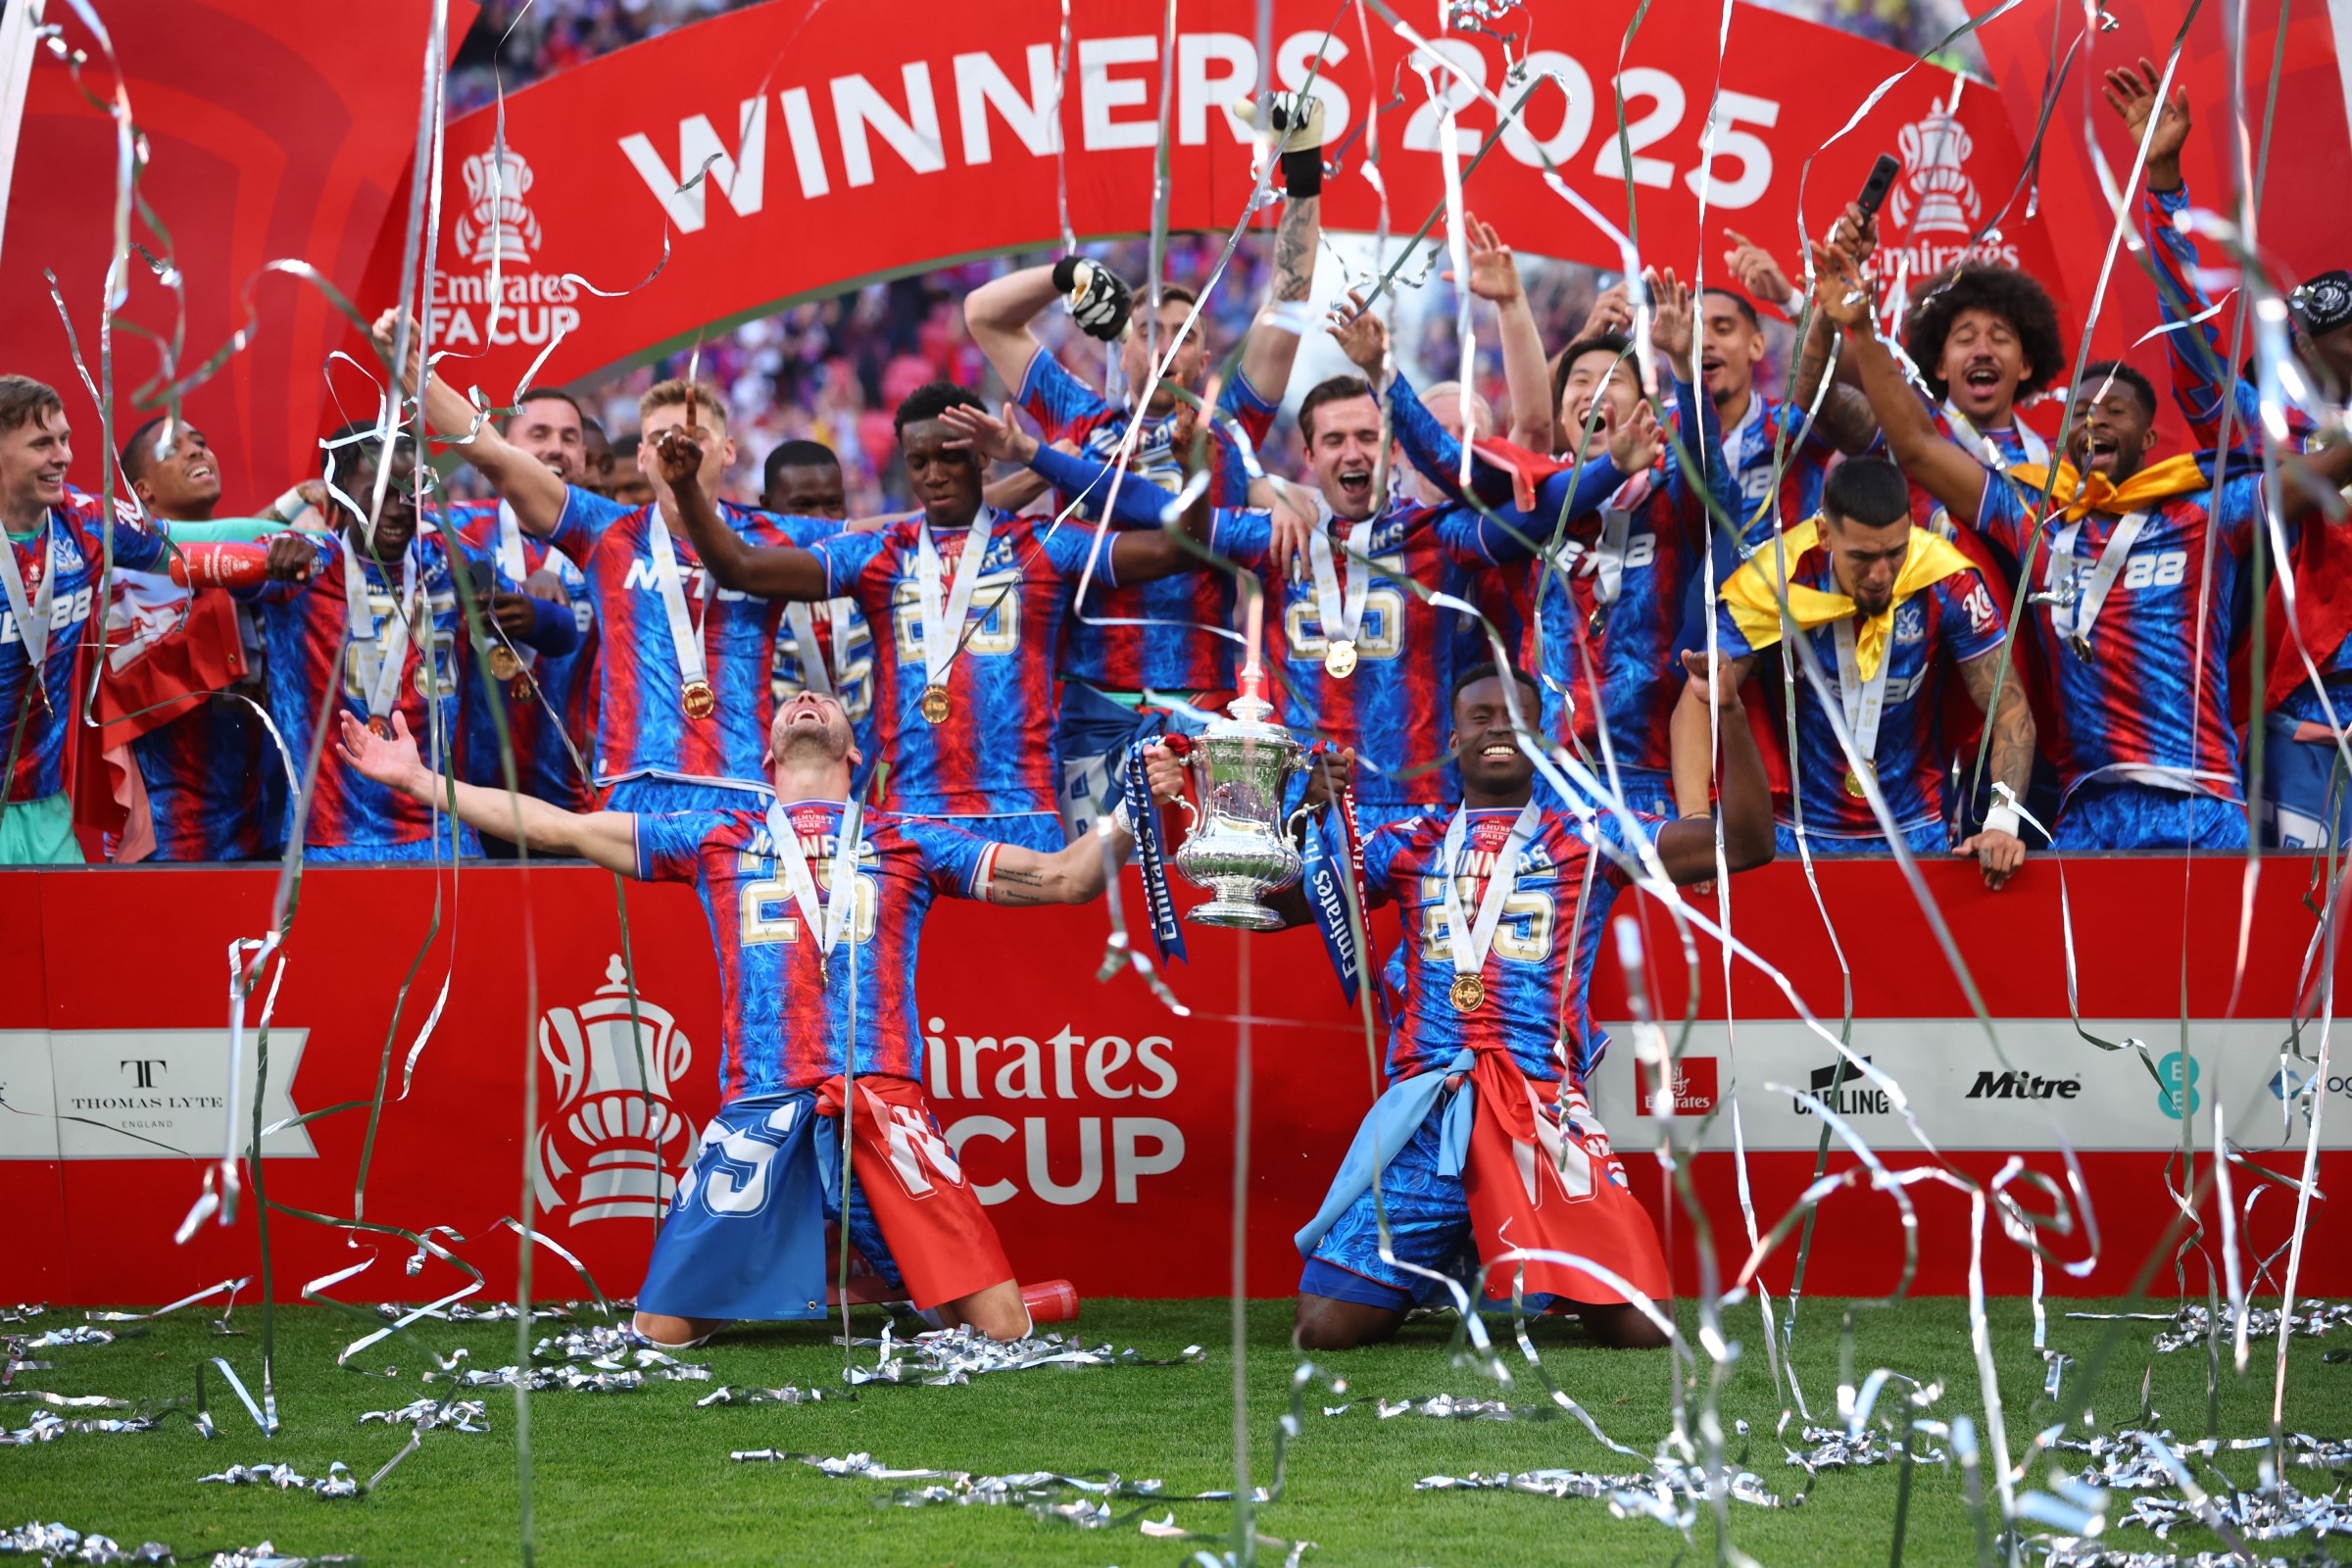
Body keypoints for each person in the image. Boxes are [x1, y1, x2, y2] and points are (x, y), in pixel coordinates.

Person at [336, 687, 1182, 1344]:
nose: (806, 702)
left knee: (1002, 1329)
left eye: (824, 702)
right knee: (660, 1334)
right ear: (768, 751)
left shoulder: (912, 838)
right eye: (789, 703)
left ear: (857, 752)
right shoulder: (713, 836)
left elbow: (1069, 878)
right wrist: (417, 780)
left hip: (883, 1100)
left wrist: (1131, 807)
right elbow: (557, 826)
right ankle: (849, 1281)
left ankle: (880, 1280)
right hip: (763, 1104)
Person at [1291, 659, 1774, 1350]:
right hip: (1430, 1114)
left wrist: (1727, 710)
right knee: (1324, 1330)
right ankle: (1456, 1248)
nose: (1496, 731)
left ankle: (1520, 1245)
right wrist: (1303, 810)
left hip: (1537, 1113)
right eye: (1479, 718)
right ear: (1452, 739)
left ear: (1542, 738)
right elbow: (1281, 907)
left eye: (1512, 719)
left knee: (1644, 1332)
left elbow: (1749, 845)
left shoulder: (1590, 834)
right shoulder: (1404, 846)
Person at [1817, 242, 2280, 852]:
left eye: (2114, 411)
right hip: (2048, 787)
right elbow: (1911, 445)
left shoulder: (2203, 512)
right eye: (2083, 413)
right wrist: (1855, 326)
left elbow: (2298, 470)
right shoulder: (2036, 509)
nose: (2095, 423)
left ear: (2148, 436)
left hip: (2194, 800)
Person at [662, 382, 1218, 850]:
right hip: (911, 823)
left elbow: (1179, 547)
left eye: (949, 455)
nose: (933, 474)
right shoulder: (880, 553)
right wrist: (687, 489)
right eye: (918, 461)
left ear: (980, 455)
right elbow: (739, 567)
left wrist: (1198, 475)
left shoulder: (1042, 545)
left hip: (1022, 816)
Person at [388, 311, 836, 814]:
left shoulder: (773, 536)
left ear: (729, 451)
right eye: (662, 438)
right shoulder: (607, 531)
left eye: (696, 436)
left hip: (742, 794)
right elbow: (492, 453)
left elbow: (895, 537)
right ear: (642, 456)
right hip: (631, 793)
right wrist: (414, 373)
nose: (679, 447)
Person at [1379, 274, 1734, 820]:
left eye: (1613, 378)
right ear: (1566, 415)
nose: (1593, 390)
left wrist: (1685, 371)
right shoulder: (1530, 499)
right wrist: (1382, 371)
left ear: (1646, 404)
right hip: (1548, 788)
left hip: (1653, 781)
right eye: (1579, 380)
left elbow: (1713, 480)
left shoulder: (1670, 498)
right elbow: (1454, 484)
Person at [2107, 59, 2352, 849]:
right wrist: (2166, 181)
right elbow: (2195, 355)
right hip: (2306, 714)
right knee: (2303, 937)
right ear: (2308, 340)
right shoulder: (2264, 424)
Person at [1301, 299, 1656, 827]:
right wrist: (1280, 492)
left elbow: (1536, 428)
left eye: (1472, 435)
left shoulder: (1486, 524)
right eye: (1438, 433)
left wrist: (1516, 304)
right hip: (1410, 783)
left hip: (1579, 753)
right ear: (1402, 448)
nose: (1453, 449)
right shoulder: (1353, 540)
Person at [1670, 457, 2035, 885]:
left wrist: (2002, 820)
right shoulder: (1778, 580)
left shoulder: (1944, 579)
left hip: (1916, 834)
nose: (1881, 575)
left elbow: (2010, 709)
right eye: (1862, 557)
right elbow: (1700, 699)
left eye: (1895, 551)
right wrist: (1695, 828)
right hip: (1797, 838)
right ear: (1825, 535)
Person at [238, 423, 577, 859]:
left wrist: (530, 614)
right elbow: (205, 568)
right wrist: (260, 559)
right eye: (377, 492)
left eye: (409, 490)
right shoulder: (303, 561)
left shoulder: (450, 560)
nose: (397, 509)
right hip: (327, 843)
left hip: (443, 841)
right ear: (339, 491)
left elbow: (563, 635)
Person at [0, 377, 172, 864]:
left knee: (70, 939)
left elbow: (186, 544)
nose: (63, 456)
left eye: (65, 439)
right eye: (42, 443)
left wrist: (286, 527)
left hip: (45, 810)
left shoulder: (85, 520)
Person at [437, 387, 600, 847]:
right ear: (502, 450)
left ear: (583, 458)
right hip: (468, 806)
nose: (555, 447)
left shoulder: (611, 542)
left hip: (576, 807)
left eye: (569, 438)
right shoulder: (452, 529)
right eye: (539, 434)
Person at [111, 416, 278, 861]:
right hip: (168, 844)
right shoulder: (115, 585)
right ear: (142, 490)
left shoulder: (261, 566)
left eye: (201, 442)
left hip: (266, 835)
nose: (197, 451)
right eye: (173, 448)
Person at [760, 439, 876, 797]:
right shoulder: (750, 587)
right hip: (774, 789)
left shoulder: (872, 577)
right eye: (803, 507)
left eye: (833, 504)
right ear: (765, 508)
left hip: (867, 787)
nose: (821, 521)